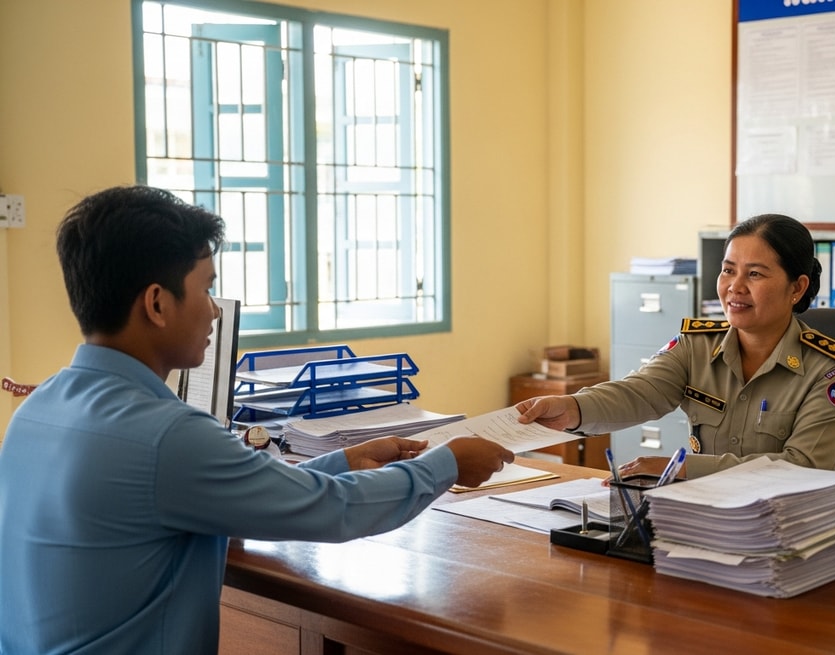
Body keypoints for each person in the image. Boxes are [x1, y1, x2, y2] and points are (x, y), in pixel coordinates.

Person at [0, 185, 514, 654]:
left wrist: (343, 462)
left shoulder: (36, 412)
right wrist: (446, 463)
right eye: (205, 290)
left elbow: (231, 489)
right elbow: (336, 512)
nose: (215, 312)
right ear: (156, 303)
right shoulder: (166, 436)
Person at [516, 214, 835, 480]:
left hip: (787, 525)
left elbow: (800, 466)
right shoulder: (696, 347)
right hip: (702, 515)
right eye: (728, 271)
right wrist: (571, 407)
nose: (734, 288)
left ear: (797, 288)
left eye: (754, 274)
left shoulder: (828, 369)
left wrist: (683, 469)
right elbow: (637, 393)